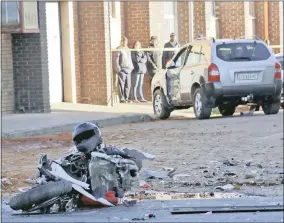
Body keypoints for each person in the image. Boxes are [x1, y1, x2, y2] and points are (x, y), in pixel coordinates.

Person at [115, 37, 134, 103]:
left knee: (128, 85)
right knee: (121, 84)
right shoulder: (118, 49)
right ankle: (122, 98)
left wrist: (131, 67)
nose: (125, 43)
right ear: (121, 42)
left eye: (126, 41)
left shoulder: (128, 49)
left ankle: (126, 97)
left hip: (129, 69)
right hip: (122, 69)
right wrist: (118, 68)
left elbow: (130, 59)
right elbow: (116, 59)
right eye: (124, 41)